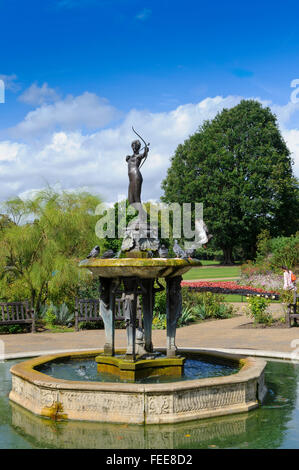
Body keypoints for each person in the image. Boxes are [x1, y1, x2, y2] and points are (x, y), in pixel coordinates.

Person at [126, 139, 149, 205]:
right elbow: (127, 160)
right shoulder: (129, 157)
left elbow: (144, 154)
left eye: (135, 146)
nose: (133, 147)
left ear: (138, 147)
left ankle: (142, 215)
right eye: (132, 146)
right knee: (131, 201)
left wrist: (146, 151)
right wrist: (127, 158)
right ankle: (144, 214)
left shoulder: (139, 156)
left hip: (136, 176)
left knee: (137, 199)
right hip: (131, 179)